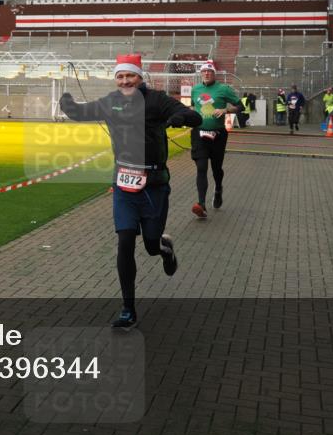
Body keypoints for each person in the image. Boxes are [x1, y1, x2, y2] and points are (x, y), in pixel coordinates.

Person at [59, 53, 201, 330]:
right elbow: (81, 112)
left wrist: (178, 117)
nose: (125, 81)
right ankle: (128, 308)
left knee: (149, 245)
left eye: (130, 75)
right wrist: (67, 103)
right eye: (120, 76)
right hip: (123, 185)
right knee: (125, 241)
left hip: (155, 184)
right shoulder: (111, 102)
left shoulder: (157, 100)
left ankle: (164, 248)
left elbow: (193, 116)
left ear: (140, 76)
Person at [189, 61, 240, 219]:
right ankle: (201, 204)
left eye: (209, 72)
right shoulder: (195, 89)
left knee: (216, 168)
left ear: (214, 74)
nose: (206, 74)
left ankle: (218, 188)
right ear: (201, 73)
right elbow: (193, 107)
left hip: (218, 135)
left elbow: (240, 106)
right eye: (204, 71)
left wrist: (225, 110)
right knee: (202, 167)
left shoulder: (223, 89)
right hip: (199, 134)